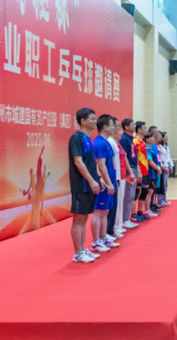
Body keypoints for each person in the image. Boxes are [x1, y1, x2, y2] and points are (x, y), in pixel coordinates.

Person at [68, 108, 101, 263]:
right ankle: (77, 253)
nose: (95, 121)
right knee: (78, 218)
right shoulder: (77, 138)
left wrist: (98, 178)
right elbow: (78, 161)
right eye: (92, 119)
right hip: (80, 184)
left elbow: (91, 162)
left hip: (89, 185)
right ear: (83, 121)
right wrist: (91, 180)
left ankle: (82, 249)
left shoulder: (89, 139)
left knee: (84, 218)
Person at [90, 115, 118, 253]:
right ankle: (96, 241)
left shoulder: (106, 142)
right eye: (113, 125)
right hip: (104, 183)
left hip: (110, 181)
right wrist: (108, 182)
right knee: (98, 211)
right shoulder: (99, 143)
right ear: (105, 127)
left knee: (105, 211)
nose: (115, 128)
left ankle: (103, 237)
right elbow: (100, 165)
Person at [118, 119, 139, 230]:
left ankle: (127, 218)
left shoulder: (130, 139)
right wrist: (130, 171)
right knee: (127, 195)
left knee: (131, 195)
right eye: (132, 124)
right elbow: (124, 157)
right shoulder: (124, 139)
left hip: (133, 168)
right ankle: (124, 219)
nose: (135, 126)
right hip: (128, 169)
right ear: (126, 127)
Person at [158, 131, 173, 206]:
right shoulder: (159, 147)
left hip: (167, 166)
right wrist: (163, 167)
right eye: (166, 136)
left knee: (166, 184)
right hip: (163, 167)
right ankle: (160, 200)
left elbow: (169, 157)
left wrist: (171, 166)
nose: (167, 138)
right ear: (162, 138)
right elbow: (160, 158)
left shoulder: (166, 147)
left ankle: (164, 199)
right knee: (162, 184)